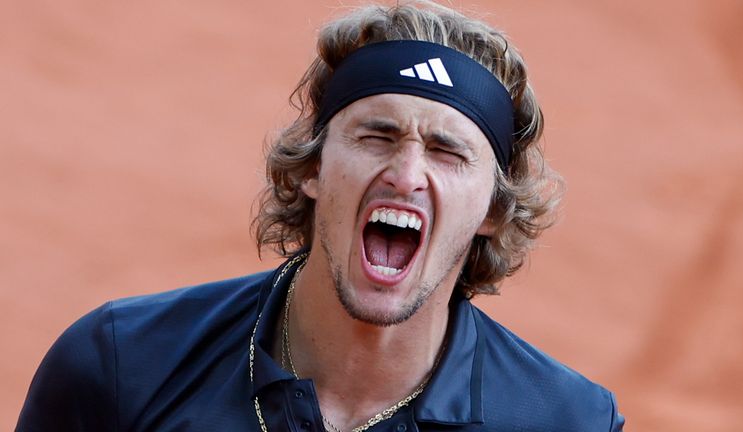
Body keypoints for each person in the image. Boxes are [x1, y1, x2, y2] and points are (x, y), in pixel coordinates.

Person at [17, 2, 625, 431]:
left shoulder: (566, 421)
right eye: (377, 136)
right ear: (312, 169)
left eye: (447, 151)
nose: (407, 174)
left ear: (493, 208)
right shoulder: (123, 368)